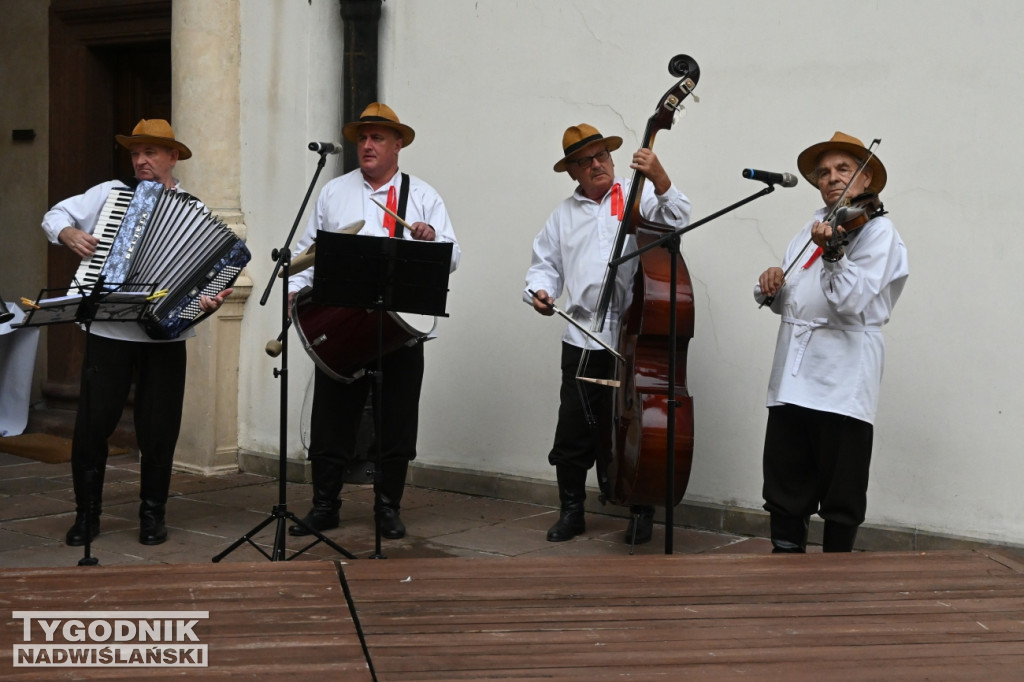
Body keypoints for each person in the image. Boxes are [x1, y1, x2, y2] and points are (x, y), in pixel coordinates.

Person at [41, 118, 233, 547]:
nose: (141, 160)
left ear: (173, 157)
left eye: (150, 152)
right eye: (135, 153)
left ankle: (152, 516)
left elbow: (207, 281)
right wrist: (69, 233)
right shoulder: (110, 194)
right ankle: (87, 516)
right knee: (93, 426)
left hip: (166, 337)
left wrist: (207, 299)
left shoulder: (196, 211)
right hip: (109, 331)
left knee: (159, 430)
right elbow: (55, 215)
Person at [288, 102, 460, 540]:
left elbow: (452, 257)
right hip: (345, 326)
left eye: (377, 137)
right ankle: (325, 506)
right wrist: (295, 289)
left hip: (399, 331)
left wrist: (429, 240)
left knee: (396, 421)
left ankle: (388, 507)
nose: (367, 145)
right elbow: (311, 251)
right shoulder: (334, 191)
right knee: (332, 420)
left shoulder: (422, 196)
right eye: (362, 137)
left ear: (397, 145)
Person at [524, 124, 691, 544]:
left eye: (602, 156)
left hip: (634, 331)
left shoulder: (639, 196)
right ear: (573, 172)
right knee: (575, 426)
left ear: (612, 159)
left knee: (635, 426)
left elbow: (679, 220)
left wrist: (660, 178)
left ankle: (640, 510)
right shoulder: (562, 215)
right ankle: (572, 510)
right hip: (583, 333)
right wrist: (539, 292)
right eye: (585, 161)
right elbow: (543, 265)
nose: (597, 164)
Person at [754, 131, 909, 553]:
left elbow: (851, 300)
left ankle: (835, 576)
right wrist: (771, 285)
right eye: (824, 172)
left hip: (842, 376)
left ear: (866, 178)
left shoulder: (879, 233)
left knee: (841, 488)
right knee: (786, 478)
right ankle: (784, 564)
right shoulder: (811, 230)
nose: (832, 178)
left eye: (844, 169)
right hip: (793, 372)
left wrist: (835, 254)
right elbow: (795, 297)